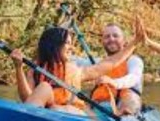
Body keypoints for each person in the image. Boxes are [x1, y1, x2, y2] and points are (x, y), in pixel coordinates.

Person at [10, 21, 144, 116]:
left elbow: (111, 62)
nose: (71, 48)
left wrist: (134, 42)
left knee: (55, 108)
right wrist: (18, 68)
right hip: (45, 111)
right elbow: (27, 99)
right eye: (67, 43)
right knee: (44, 87)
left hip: (74, 114)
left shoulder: (77, 70)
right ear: (55, 45)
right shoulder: (36, 70)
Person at [89, 23, 144, 116]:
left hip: (126, 100)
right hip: (103, 103)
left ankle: (125, 116)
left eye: (115, 36)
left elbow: (133, 77)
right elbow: (75, 62)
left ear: (123, 40)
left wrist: (114, 82)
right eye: (107, 37)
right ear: (102, 41)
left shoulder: (134, 60)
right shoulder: (98, 63)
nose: (111, 39)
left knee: (130, 98)